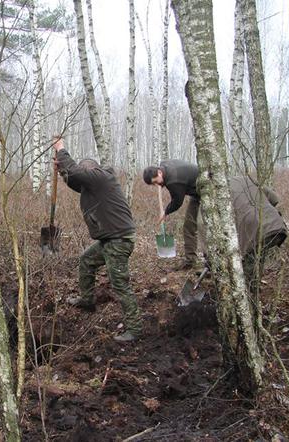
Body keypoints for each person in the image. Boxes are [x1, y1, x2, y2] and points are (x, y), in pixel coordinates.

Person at [54, 136, 142, 342]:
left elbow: (77, 173)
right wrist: (62, 171)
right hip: (109, 239)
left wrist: (61, 149)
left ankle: (135, 329)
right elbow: (74, 180)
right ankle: (87, 300)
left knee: (120, 283)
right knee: (86, 260)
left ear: (91, 171)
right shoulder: (93, 185)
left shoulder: (100, 176)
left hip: (119, 240)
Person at [228, 176, 288, 291]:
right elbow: (274, 199)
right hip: (277, 226)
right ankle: (254, 291)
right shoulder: (245, 179)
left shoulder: (219, 193)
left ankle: (249, 299)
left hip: (256, 230)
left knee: (248, 270)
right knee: (258, 258)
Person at [143, 160, 202, 270]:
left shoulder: (174, 180)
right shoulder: (163, 165)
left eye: (156, 182)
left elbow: (177, 202)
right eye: (154, 184)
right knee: (189, 227)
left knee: (205, 228)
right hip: (196, 194)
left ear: (160, 173)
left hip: (206, 192)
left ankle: (210, 262)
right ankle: (191, 261)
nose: (157, 185)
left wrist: (165, 212)